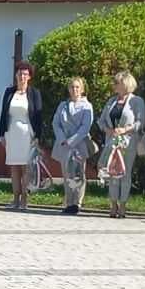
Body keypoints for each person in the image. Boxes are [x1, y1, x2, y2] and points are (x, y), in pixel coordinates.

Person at [97, 71, 145, 218]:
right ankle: (113, 205)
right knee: (112, 174)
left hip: (128, 142)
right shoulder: (111, 101)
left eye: (116, 83)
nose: (114, 85)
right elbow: (101, 121)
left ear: (125, 85)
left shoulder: (136, 101)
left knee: (124, 173)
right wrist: (107, 129)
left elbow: (140, 122)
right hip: (111, 141)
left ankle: (123, 205)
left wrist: (125, 129)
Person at [0, 63, 42, 210]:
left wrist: (38, 136)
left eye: (25, 74)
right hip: (12, 133)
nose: (22, 77)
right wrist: (1, 134)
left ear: (29, 77)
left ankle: (25, 199)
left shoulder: (34, 93)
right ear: (16, 75)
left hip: (27, 133)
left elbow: (38, 116)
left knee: (26, 167)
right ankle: (15, 198)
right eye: (19, 74)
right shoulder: (9, 92)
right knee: (14, 167)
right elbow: (3, 113)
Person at [52, 77, 94, 216]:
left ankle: (77, 203)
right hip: (64, 145)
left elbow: (85, 127)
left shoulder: (87, 106)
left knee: (78, 174)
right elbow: (56, 123)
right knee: (67, 173)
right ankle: (68, 202)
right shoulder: (63, 105)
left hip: (79, 144)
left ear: (82, 89)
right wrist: (63, 139)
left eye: (77, 87)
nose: (74, 90)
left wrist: (72, 141)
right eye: (72, 87)